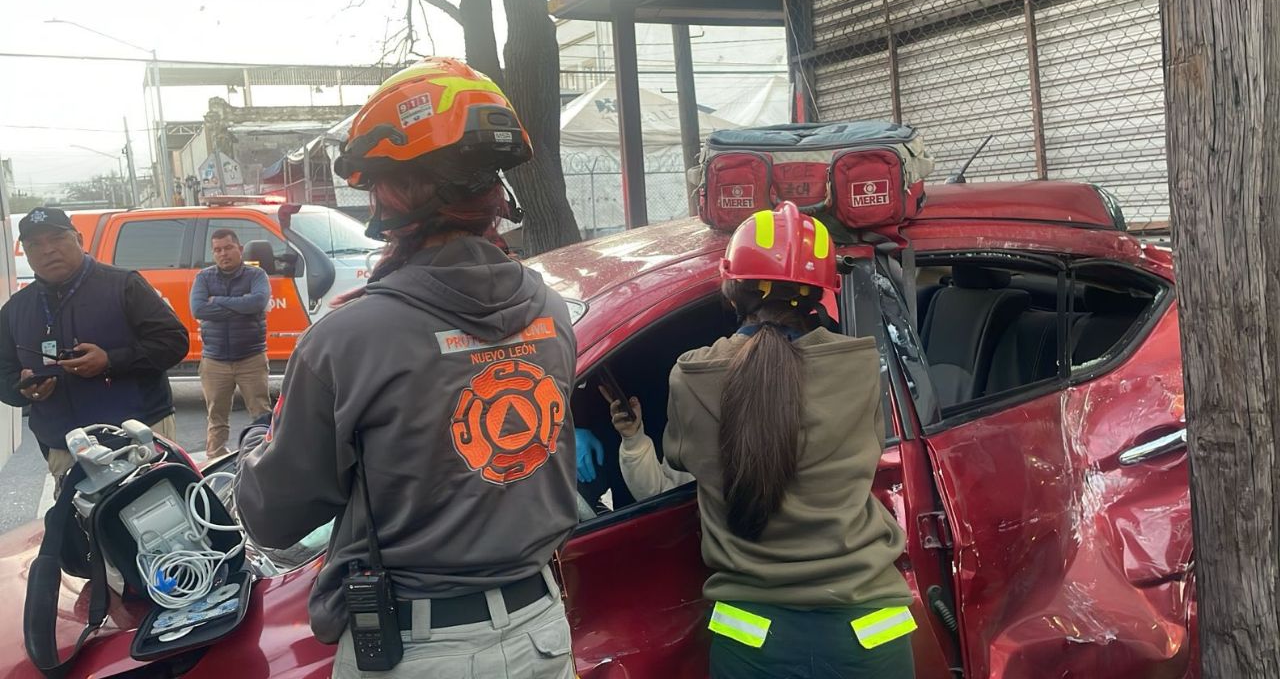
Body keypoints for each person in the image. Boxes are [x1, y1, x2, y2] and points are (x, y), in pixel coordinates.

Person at [234, 57, 579, 679]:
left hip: (418, 649)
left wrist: (259, 441)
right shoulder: (551, 311)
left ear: (395, 193)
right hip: (542, 635)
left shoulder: (349, 338)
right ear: (494, 192)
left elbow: (274, 517)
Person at [610, 203, 917, 678]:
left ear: (732, 291)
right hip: (871, 629)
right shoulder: (859, 368)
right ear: (821, 294)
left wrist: (633, 440)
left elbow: (675, 467)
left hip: (753, 637)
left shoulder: (692, 377)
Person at [0, 206, 188, 484]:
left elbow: (174, 342)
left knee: (160, 517)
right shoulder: (15, 310)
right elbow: (5, 377)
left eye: (57, 238)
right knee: (83, 524)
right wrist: (25, 389)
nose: (47, 250)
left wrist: (110, 361)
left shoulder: (124, 285)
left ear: (79, 239)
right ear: (26, 254)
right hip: (65, 445)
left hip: (139, 434)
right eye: (35, 244)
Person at [190, 228, 272, 459]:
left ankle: (266, 458)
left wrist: (217, 302)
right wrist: (240, 307)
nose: (223, 254)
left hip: (251, 358)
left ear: (240, 249)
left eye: (228, 248)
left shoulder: (256, 276)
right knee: (216, 417)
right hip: (214, 361)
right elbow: (198, 309)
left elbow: (257, 303)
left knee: (261, 414)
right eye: (217, 250)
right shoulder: (203, 277)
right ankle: (215, 460)